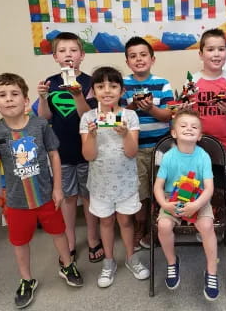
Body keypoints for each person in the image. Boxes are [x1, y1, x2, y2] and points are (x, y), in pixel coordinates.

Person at [0, 73, 83, 309]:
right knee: (20, 242)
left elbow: (54, 154)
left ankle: (67, 264)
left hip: (45, 195)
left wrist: (57, 188)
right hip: (16, 200)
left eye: (15, 94)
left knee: (58, 232)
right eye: (2, 95)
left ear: (25, 100)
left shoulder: (40, 124)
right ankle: (26, 279)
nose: (9, 99)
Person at [37, 32, 104, 265]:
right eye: (63, 51)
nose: (68, 55)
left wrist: (77, 94)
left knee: (88, 196)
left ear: (82, 55)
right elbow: (44, 117)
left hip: (86, 149)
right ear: (55, 56)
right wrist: (43, 98)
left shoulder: (90, 82)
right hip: (61, 150)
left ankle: (94, 239)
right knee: (68, 198)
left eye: (73, 50)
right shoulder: (51, 82)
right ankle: (70, 241)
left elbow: (89, 116)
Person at [80, 66, 150, 288]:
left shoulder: (130, 115)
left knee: (126, 221)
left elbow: (131, 152)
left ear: (122, 90)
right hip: (100, 183)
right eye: (100, 86)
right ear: (93, 91)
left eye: (113, 85)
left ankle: (131, 258)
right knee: (106, 221)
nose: (107, 90)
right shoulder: (88, 118)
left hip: (126, 182)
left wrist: (126, 133)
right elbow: (88, 155)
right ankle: (108, 262)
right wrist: (91, 136)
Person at [191, 28, 226, 255]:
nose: (216, 54)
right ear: (201, 53)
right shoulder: (193, 80)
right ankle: (204, 224)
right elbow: (185, 116)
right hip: (200, 149)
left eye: (221, 49)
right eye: (211, 49)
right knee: (203, 189)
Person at [153, 109, 219, 301]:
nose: (189, 129)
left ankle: (212, 272)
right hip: (171, 198)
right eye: (183, 126)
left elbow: (209, 188)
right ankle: (172, 263)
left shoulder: (203, 156)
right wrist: (164, 203)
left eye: (194, 127)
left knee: (206, 226)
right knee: (164, 225)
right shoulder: (168, 157)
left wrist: (197, 205)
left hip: (198, 198)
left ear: (199, 136)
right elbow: (158, 186)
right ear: (174, 133)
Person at [121, 36, 174, 251]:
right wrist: (133, 106)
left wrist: (150, 108)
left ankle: (158, 225)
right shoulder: (122, 85)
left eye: (143, 55)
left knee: (160, 188)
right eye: (133, 56)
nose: (139, 59)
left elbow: (169, 115)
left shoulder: (162, 83)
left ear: (152, 59)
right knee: (140, 192)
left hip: (161, 148)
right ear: (127, 62)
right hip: (135, 150)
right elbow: (118, 116)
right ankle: (141, 226)